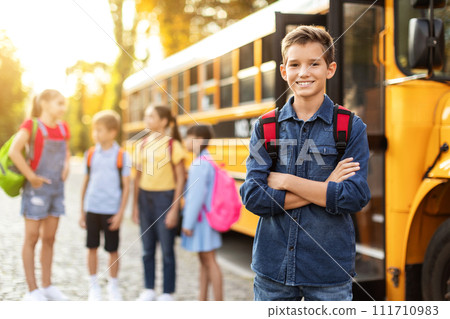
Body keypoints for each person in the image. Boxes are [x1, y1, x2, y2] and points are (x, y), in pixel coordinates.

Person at [240, 26, 371, 301]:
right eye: (295, 64)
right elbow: (253, 197)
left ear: (330, 69)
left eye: (314, 63)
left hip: (328, 274)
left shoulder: (350, 127)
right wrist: (326, 188)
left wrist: (286, 181)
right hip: (272, 270)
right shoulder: (266, 127)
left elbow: (355, 197)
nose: (304, 73)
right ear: (283, 71)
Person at [8, 89, 71, 301]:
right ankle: (32, 290)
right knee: (32, 237)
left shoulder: (63, 127)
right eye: (59, 103)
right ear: (44, 103)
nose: (63, 107)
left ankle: (47, 286)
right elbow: (14, 151)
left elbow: (67, 152)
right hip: (36, 190)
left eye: (64, 103)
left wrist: (67, 165)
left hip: (56, 191)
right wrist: (32, 177)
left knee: (50, 238)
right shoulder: (31, 126)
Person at [132, 105, 186, 301]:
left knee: (166, 248)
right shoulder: (141, 145)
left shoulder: (173, 146)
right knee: (147, 248)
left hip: (165, 199)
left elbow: (180, 179)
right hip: (145, 199)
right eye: (145, 116)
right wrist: (135, 206)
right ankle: (149, 289)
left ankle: (167, 292)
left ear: (163, 121)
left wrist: (174, 209)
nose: (147, 120)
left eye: (151, 116)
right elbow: (136, 178)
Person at [79, 110, 131, 301]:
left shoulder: (122, 156)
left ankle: (113, 285)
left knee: (113, 250)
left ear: (112, 132)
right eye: (94, 130)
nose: (95, 134)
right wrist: (81, 211)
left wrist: (120, 213)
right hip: (92, 208)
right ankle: (93, 285)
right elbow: (85, 182)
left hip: (111, 210)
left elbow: (126, 187)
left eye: (99, 130)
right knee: (91, 247)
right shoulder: (90, 153)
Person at [181, 125, 223, 301]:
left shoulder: (199, 163)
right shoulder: (207, 160)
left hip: (201, 220)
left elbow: (195, 197)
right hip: (208, 218)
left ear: (198, 140)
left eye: (188, 137)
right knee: (205, 261)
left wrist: (187, 224)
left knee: (209, 260)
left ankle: (218, 302)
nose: (185, 141)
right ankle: (203, 299)